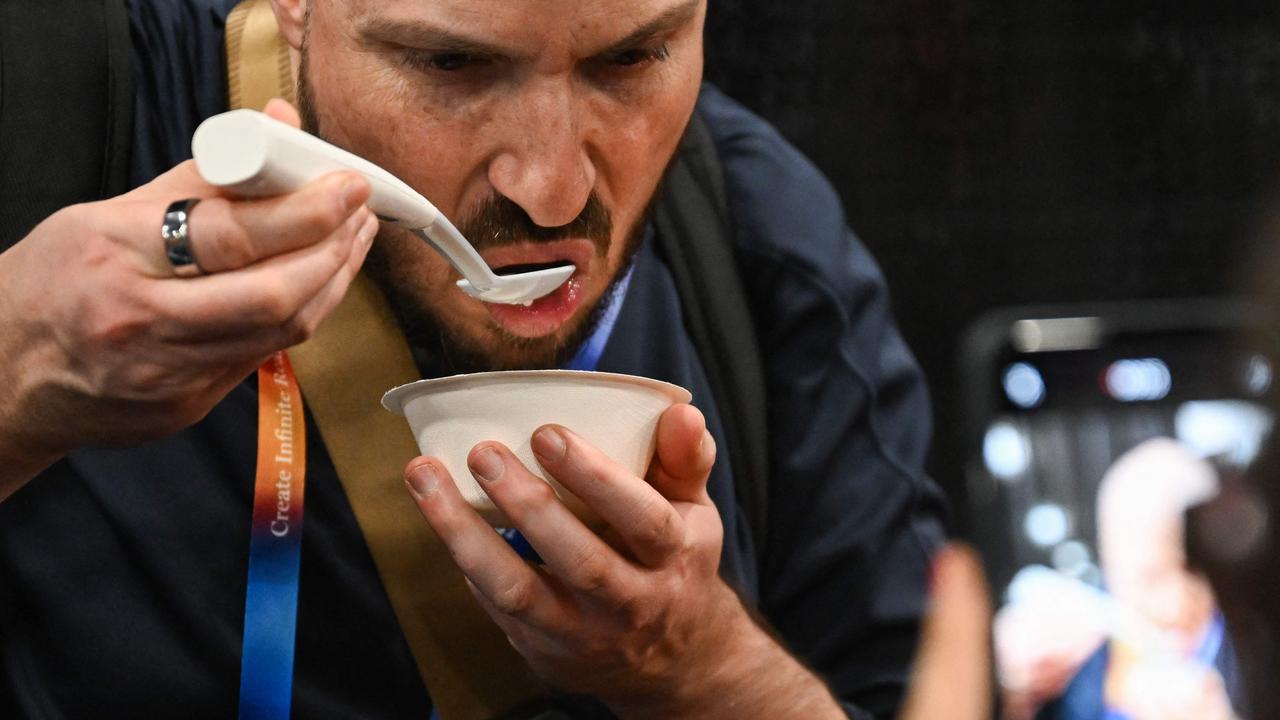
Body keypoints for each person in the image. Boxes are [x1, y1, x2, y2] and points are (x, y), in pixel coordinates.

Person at [0, 0, 945, 717]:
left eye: (631, 57)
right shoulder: (54, 113)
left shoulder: (759, 234)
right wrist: (17, 370)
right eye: (449, 63)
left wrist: (701, 665)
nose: (548, 192)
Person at [995, 439, 1242, 720]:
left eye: (1192, 571)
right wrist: (1007, 694)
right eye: (1148, 579)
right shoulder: (1073, 646)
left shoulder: (1254, 643)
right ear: (1110, 562)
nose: (1174, 602)